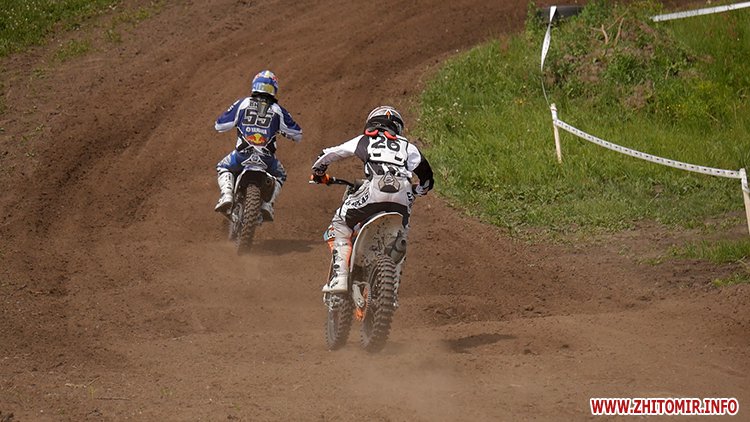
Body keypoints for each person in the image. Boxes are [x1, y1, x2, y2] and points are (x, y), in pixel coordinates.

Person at [311, 105, 434, 293]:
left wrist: (318, 172)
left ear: (372, 122)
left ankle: (341, 277)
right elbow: (427, 177)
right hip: (403, 193)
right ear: (397, 127)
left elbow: (330, 153)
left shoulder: (365, 139)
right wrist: (418, 190)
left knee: (340, 224)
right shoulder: (408, 146)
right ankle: (392, 291)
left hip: (375, 188)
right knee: (401, 236)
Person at [214, 70, 302, 220]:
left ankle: (227, 195)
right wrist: (283, 132)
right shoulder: (278, 110)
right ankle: (268, 205)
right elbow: (297, 134)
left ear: (255, 85)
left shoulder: (243, 103)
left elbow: (220, 125)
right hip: (267, 160)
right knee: (280, 175)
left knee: (223, 166)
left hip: (242, 155)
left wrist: (239, 122)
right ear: (274, 89)